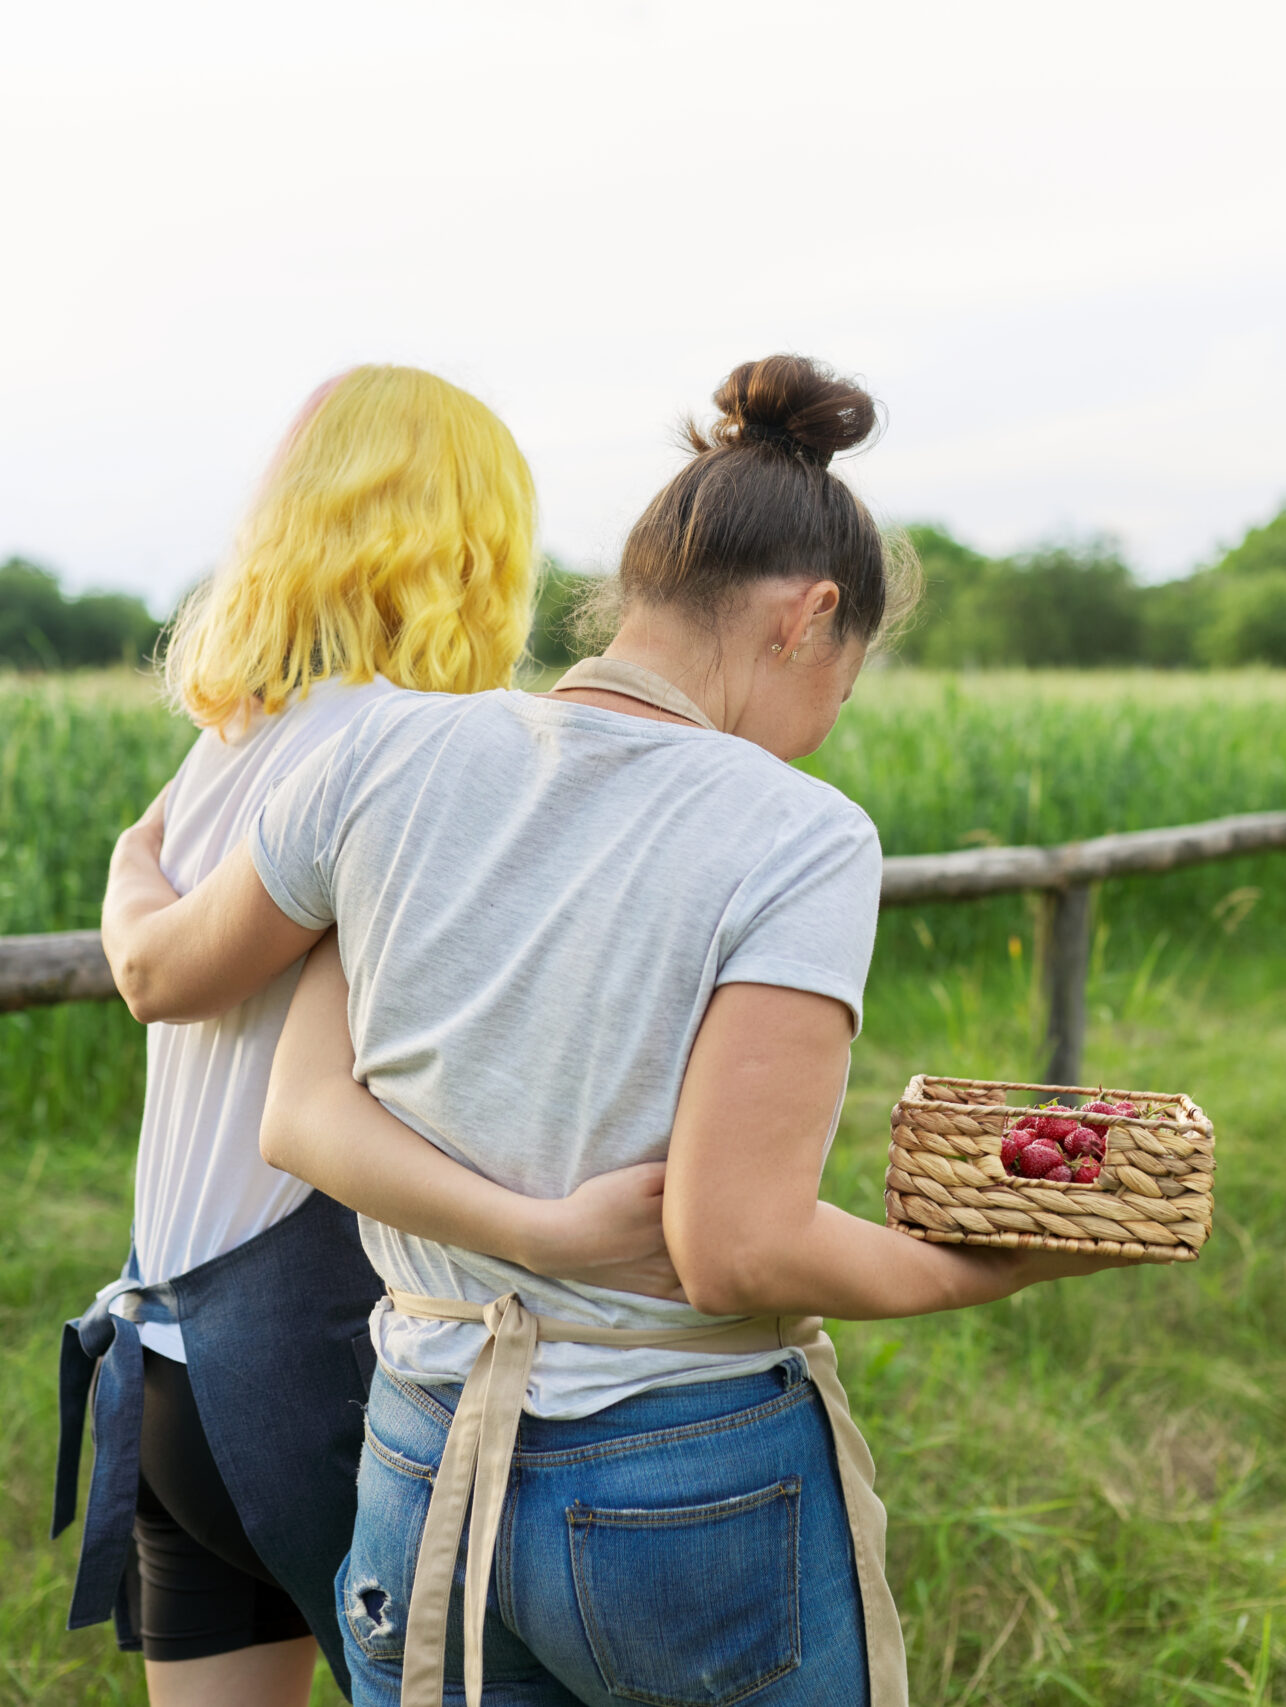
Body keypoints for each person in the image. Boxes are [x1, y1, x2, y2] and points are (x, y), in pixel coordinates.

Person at [100, 354, 1122, 1706]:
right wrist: (974, 1272)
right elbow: (735, 1242)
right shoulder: (800, 832)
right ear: (810, 617)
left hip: (419, 1451)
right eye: (846, 682)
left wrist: (525, 1232)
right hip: (675, 1469)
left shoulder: (376, 758)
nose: (821, 732)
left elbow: (299, 1113)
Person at [60, 364, 679, 1707]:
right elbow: (175, 974)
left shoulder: (233, 737)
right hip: (328, 1367)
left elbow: (148, 938)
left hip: (171, 1366)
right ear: (478, 542)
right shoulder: (420, 749)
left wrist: (123, 865)